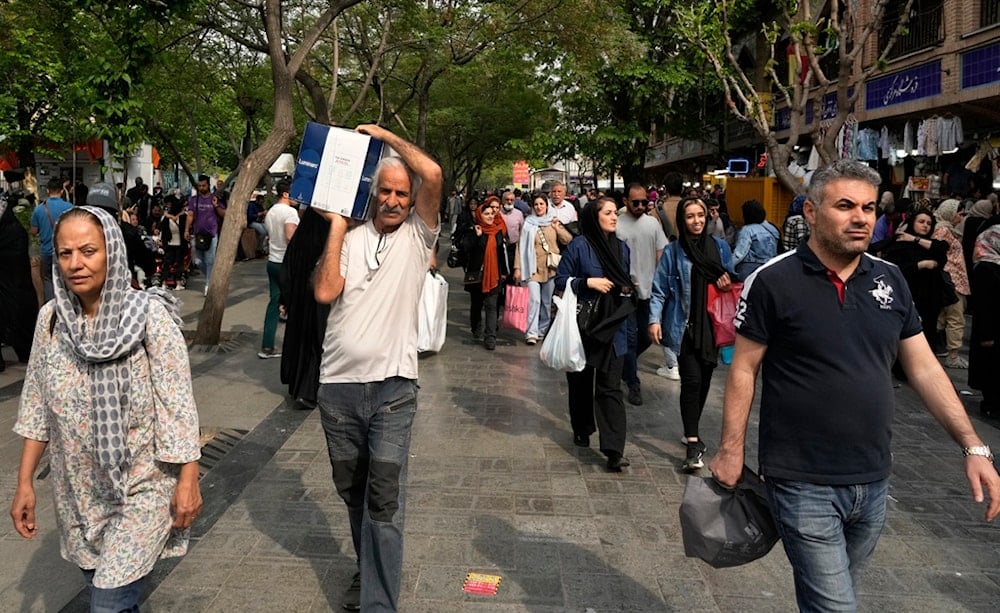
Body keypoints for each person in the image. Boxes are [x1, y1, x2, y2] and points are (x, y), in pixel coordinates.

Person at [709, 160, 1000, 612]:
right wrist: (731, 450)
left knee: (832, 597)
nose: (861, 217)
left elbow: (924, 368)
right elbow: (744, 369)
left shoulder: (890, 279)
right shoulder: (772, 281)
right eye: (845, 206)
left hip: (873, 479)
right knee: (835, 607)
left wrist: (972, 446)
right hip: (802, 479)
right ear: (810, 212)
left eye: (867, 207)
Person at [10, 206, 202, 612]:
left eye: (88, 251)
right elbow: (37, 407)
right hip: (78, 494)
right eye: (65, 254)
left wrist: (189, 480)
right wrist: (24, 483)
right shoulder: (52, 321)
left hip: (142, 488)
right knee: (111, 597)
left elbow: (178, 406)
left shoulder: (150, 317)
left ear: (112, 252)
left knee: (108, 604)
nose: (76, 264)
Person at [312, 124, 441, 612]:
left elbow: (432, 171)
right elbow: (325, 292)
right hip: (338, 392)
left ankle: (378, 604)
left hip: (393, 392)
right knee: (353, 493)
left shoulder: (417, 235)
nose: (392, 199)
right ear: (373, 194)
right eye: (385, 190)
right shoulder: (348, 236)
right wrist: (338, 226)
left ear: (412, 201)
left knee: (383, 500)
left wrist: (384, 136)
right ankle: (367, 570)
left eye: (401, 193)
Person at [648, 197, 734, 471]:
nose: (696, 221)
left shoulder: (719, 248)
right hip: (683, 326)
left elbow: (731, 280)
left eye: (700, 215)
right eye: (690, 216)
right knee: (692, 381)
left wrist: (726, 282)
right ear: (682, 221)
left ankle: (690, 429)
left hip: (712, 328)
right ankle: (693, 443)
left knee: (705, 380)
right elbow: (659, 289)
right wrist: (654, 320)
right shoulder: (674, 251)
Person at [555, 197, 635, 472]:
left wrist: (627, 289)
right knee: (580, 379)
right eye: (608, 213)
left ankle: (614, 450)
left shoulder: (622, 249)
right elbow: (560, 280)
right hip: (584, 326)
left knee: (610, 387)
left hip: (614, 327)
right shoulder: (580, 246)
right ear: (594, 216)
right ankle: (582, 427)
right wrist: (587, 282)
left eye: (616, 213)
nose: (615, 217)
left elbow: (625, 280)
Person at [615, 183, 668, 406]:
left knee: (647, 337)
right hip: (626, 292)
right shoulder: (616, 224)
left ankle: (624, 367)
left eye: (644, 202)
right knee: (629, 337)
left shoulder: (653, 224)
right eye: (635, 202)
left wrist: (661, 284)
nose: (640, 206)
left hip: (649, 289)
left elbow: (661, 254)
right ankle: (633, 383)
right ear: (625, 201)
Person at [280, 207, 331, 409]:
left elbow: (287, 270)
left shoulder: (300, 240)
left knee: (302, 342)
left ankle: (300, 388)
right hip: (321, 303)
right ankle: (311, 391)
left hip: (300, 302)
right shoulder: (329, 241)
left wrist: (286, 298)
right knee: (318, 344)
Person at [513, 193, 572, 344]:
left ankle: (542, 329)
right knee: (534, 301)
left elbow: (568, 240)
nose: (539, 207)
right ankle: (531, 332)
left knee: (547, 302)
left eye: (542, 204)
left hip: (551, 268)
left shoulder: (553, 222)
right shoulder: (528, 224)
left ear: (547, 205)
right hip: (532, 268)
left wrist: (557, 228)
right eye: (536, 204)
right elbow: (520, 247)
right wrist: (517, 268)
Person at [459, 199, 509, 350]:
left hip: (494, 275)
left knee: (492, 306)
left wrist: (505, 272)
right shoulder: (474, 230)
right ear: (480, 215)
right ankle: (476, 328)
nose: (489, 216)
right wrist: (477, 236)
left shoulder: (497, 232)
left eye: (491, 214)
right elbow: (465, 249)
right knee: (476, 304)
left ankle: (490, 337)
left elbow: (502, 253)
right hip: (477, 275)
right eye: (486, 214)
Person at [259, 179, 299, 359]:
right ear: (286, 194)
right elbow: (290, 236)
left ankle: (267, 345)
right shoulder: (290, 212)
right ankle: (294, 347)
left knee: (274, 303)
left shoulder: (271, 212)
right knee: (294, 303)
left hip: (272, 260)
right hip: (286, 263)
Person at [931, 199, 970, 369]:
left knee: (943, 317)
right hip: (951, 280)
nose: (960, 218)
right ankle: (953, 355)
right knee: (955, 317)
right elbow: (939, 252)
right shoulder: (942, 230)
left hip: (952, 279)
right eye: (959, 214)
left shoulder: (945, 229)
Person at [0, 196, 39, 367]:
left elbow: (17, 257)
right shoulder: (15, 229)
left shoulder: (14, 231)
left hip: (13, 284)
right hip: (12, 285)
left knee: (18, 317)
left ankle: (25, 352)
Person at [969, 225, 1000, 418]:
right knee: (992, 369)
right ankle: (991, 404)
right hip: (991, 328)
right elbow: (984, 304)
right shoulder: (985, 267)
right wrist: (987, 334)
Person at [30, 177, 75, 302]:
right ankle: (67, 305)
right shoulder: (70, 208)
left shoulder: (39, 209)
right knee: (66, 278)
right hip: (66, 251)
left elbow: (33, 231)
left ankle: (51, 307)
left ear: (48, 191)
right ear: (62, 191)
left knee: (48, 279)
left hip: (46, 251)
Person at [186, 174, 227, 295]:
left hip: (212, 233)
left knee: (210, 260)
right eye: (199, 186)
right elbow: (190, 215)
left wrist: (216, 206)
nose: (202, 188)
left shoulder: (215, 198)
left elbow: (224, 214)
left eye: (204, 185)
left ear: (208, 185)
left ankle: (208, 284)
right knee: (198, 261)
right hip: (198, 233)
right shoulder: (194, 199)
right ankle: (212, 277)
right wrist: (186, 230)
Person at [732, 199, 779, 280]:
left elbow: (739, 254)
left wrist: (728, 266)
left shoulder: (747, 230)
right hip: (768, 268)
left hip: (749, 270)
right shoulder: (772, 229)